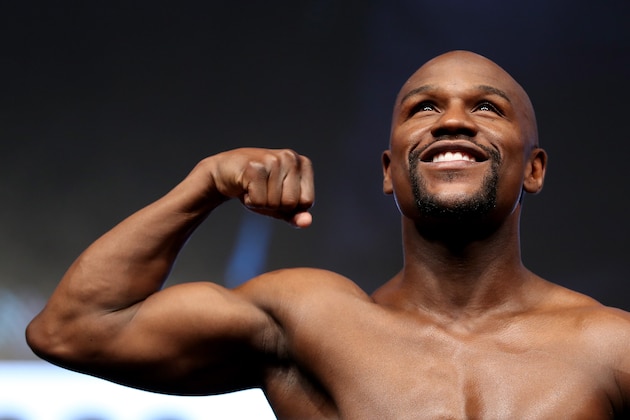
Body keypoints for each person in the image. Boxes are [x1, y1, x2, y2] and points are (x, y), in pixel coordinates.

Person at [27, 50, 630, 419]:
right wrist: (204, 184)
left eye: (487, 108)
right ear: (390, 173)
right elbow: (74, 329)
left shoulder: (609, 346)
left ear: (534, 168)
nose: (451, 120)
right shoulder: (309, 322)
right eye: (423, 108)